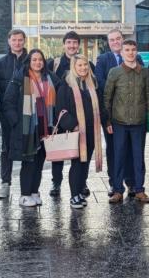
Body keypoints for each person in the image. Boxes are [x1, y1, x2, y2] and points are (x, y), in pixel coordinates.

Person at [3, 49, 60, 207]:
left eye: (40, 59)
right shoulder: (20, 78)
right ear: (29, 61)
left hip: (45, 128)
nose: (37, 62)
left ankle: (34, 192)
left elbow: (61, 95)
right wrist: (16, 122)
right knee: (29, 162)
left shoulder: (50, 78)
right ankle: (24, 194)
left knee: (40, 162)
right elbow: (8, 102)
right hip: (27, 128)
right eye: (34, 60)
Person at [95, 28, 144, 197]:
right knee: (114, 149)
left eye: (118, 39)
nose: (115, 42)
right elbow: (101, 84)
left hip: (132, 114)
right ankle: (114, 184)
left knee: (132, 149)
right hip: (112, 113)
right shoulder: (103, 59)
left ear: (123, 40)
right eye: (112, 40)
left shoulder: (136, 58)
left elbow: (142, 85)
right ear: (108, 43)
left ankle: (131, 182)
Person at [104, 39, 149, 204]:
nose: (130, 52)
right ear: (122, 52)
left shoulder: (145, 72)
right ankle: (117, 190)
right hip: (119, 122)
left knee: (138, 157)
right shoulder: (114, 72)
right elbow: (107, 98)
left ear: (136, 51)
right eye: (127, 50)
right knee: (119, 156)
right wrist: (108, 121)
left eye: (133, 49)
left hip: (138, 122)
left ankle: (139, 189)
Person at [55, 55, 105, 209]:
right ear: (74, 67)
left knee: (85, 163)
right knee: (77, 164)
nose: (83, 68)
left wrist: (107, 121)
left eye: (85, 65)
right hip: (76, 131)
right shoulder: (67, 85)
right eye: (80, 65)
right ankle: (74, 195)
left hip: (91, 132)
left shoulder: (92, 83)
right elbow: (61, 109)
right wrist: (73, 125)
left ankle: (80, 190)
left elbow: (101, 106)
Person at [46, 31, 87, 198]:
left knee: (81, 151)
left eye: (75, 43)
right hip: (60, 113)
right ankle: (56, 182)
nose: (72, 46)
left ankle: (81, 182)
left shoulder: (84, 63)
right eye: (69, 42)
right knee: (59, 150)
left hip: (80, 115)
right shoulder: (54, 64)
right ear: (64, 44)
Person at [0, 29, 28, 199]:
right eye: (14, 40)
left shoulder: (31, 61)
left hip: (29, 113)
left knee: (29, 148)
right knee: (7, 148)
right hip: (7, 113)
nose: (17, 43)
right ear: (9, 41)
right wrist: (2, 111)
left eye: (20, 40)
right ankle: (5, 183)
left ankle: (28, 186)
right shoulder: (0, 64)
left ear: (24, 41)